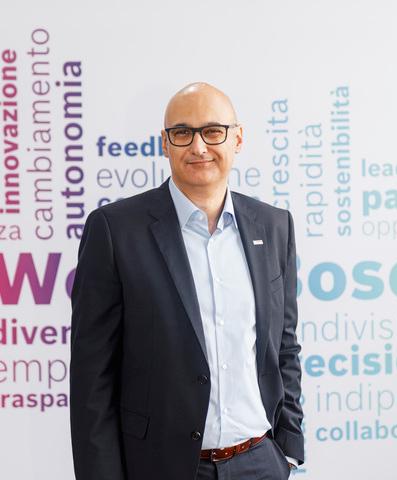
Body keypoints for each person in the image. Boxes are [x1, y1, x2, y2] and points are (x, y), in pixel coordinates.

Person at [70, 82, 304, 480]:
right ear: (165, 143)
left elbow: (284, 345)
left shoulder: (273, 225)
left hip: (260, 461)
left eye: (213, 131)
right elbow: (92, 377)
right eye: (182, 133)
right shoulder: (115, 230)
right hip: (161, 466)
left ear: (237, 139)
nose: (198, 147)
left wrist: (289, 448)